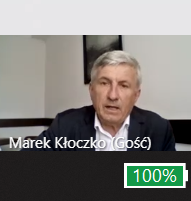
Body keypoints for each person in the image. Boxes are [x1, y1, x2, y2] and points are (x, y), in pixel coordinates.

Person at [44, 51, 178, 151]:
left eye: (123, 85)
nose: (113, 96)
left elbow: (170, 177)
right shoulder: (64, 125)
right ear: (91, 90)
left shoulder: (159, 129)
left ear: (136, 95)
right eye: (104, 83)